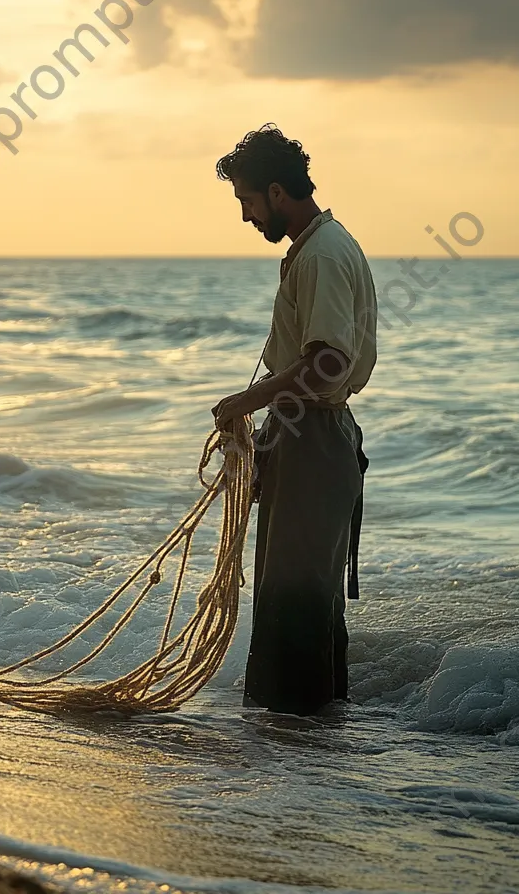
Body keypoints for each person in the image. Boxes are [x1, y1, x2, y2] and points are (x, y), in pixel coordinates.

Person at [211, 125, 377, 715]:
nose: (247, 216)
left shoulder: (325, 254)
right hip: (303, 440)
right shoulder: (314, 248)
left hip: (314, 442)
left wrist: (244, 403)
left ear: (277, 193)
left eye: (248, 202)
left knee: (297, 601)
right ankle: (302, 766)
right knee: (297, 599)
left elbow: (328, 361)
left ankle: (297, 764)